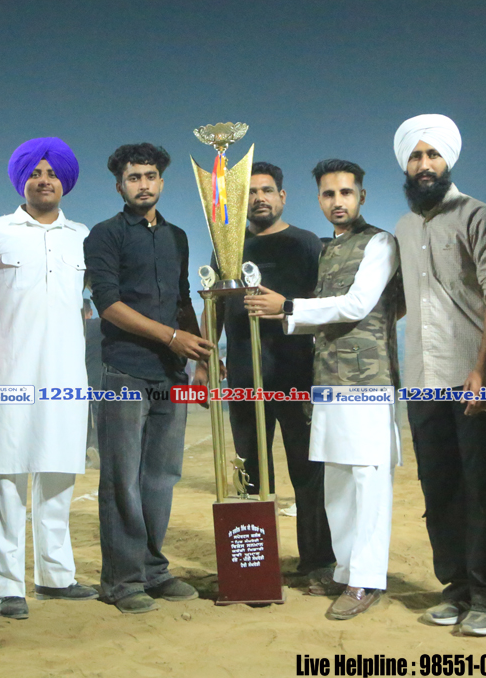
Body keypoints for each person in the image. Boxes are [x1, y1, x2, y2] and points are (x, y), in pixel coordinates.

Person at [246, 159, 402, 620]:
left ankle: (367, 579)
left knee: (367, 479)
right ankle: (344, 570)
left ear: (361, 197)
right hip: (328, 380)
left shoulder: (380, 243)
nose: (338, 202)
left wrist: (287, 307)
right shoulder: (329, 250)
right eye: (329, 194)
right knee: (336, 480)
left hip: (368, 382)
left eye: (346, 193)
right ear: (318, 199)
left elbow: (357, 304)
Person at [392, 114, 486, 636]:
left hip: (471, 376)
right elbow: (401, 300)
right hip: (423, 380)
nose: (424, 165)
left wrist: (485, 368)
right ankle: (456, 589)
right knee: (438, 488)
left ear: (448, 160)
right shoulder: (403, 227)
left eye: (433, 155)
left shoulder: (479, 216)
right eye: (415, 156)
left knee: (482, 489)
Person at [83, 143, 212, 614]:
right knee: (123, 478)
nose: (143, 184)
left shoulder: (177, 237)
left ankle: (154, 571)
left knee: (161, 476)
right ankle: (122, 581)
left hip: (171, 374)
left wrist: (201, 358)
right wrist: (172, 337)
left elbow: (181, 299)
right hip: (123, 369)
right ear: (119, 185)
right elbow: (108, 305)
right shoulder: (104, 235)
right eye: (134, 177)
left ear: (161, 181)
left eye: (150, 176)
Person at [194, 161, 335, 586]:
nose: (259, 198)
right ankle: (257, 565)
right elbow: (213, 306)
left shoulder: (307, 244)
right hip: (243, 379)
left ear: (282, 197)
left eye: (267, 190)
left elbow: (325, 305)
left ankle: (317, 562)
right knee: (250, 472)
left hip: (298, 377)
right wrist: (203, 361)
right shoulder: (228, 249)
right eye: (251, 192)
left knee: (309, 473)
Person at [0, 136, 98, 620]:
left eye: (51, 173)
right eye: (34, 172)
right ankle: (9, 587)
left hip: (65, 374)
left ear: (64, 181)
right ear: (20, 180)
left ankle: (56, 576)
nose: (43, 180)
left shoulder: (82, 236)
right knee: (6, 478)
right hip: (6, 373)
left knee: (58, 474)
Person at [83, 299, 103, 469]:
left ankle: (81, 453)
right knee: (99, 414)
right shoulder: (97, 326)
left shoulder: (74, 330)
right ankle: (98, 449)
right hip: (97, 379)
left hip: (77, 380)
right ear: (90, 313)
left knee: (81, 417)